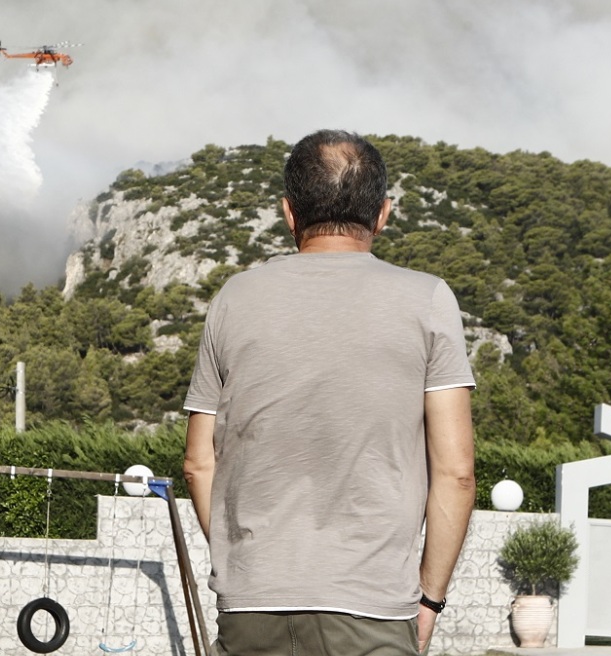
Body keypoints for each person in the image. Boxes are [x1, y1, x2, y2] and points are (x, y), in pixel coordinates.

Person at [182, 129, 476, 655]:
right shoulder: (428, 300)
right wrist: (428, 603)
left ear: (289, 213)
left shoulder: (233, 299)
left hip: (252, 607)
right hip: (372, 609)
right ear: (383, 214)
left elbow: (199, 464)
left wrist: (245, 563)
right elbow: (456, 475)